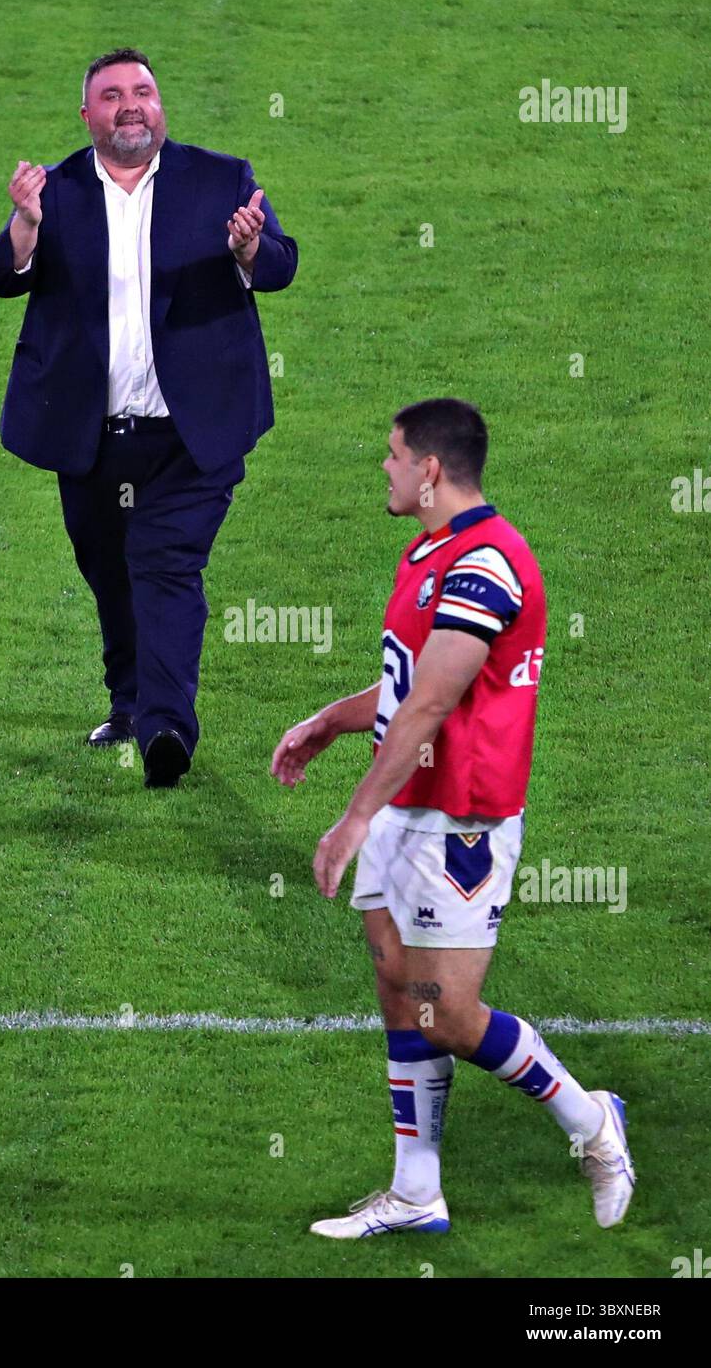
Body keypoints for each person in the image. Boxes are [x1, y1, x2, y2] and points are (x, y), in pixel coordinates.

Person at [271, 398, 635, 1237]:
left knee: (447, 1013)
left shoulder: (487, 568)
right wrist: (331, 720)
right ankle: (415, 1192)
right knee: (400, 997)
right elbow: (406, 686)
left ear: (430, 469)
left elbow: (433, 705)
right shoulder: (431, 551)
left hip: (457, 824)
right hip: (408, 807)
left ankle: (592, 1123)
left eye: (394, 456)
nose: (387, 469)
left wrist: (351, 821)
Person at [0, 47, 297, 787]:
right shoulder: (53, 191)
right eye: (113, 94)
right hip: (89, 435)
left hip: (192, 434)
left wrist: (250, 250)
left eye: (144, 91)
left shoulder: (224, 179)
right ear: (87, 114)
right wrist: (24, 227)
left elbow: (282, 264)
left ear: (161, 106)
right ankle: (128, 705)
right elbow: (0, 274)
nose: (131, 104)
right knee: (110, 571)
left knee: (162, 561)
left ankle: (165, 731)